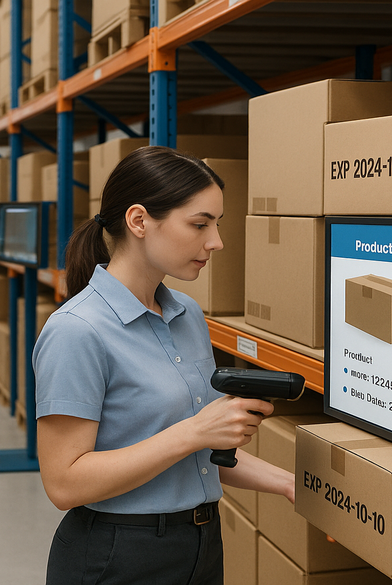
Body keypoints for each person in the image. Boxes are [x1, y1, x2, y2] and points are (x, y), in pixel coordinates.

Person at [33, 146, 295, 584]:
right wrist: (193, 431)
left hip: (201, 545)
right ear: (138, 221)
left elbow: (202, 454)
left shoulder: (187, 313)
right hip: (119, 555)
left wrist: (289, 483)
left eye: (217, 224)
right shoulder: (77, 331)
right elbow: (65, 484)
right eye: (199, 224)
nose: (216, 242)